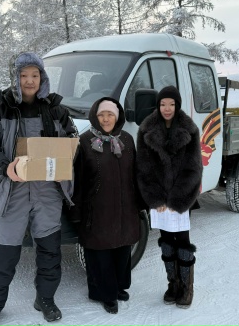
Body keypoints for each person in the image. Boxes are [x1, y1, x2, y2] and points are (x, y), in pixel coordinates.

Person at [0, 52, 78, 326]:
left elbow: (72, 139)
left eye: (35, 75)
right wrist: (5, 166)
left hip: (48, 191)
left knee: (50, 251)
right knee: (3, 255)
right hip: (11, 190)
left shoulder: (56, 110)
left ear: (42, 78)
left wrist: (69, 150)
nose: (29, 81)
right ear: (15, 77)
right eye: (23, 75)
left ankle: (45, 298)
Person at [71, 97, 143, 314]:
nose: (105, 119)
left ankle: (119, 287)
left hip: (125, 207)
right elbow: (77, 180)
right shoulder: (85, 141)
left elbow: (136, 173)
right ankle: (104, 294)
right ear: (95, 116)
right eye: (101, 115)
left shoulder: (127, 139)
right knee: (100, 253)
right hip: (97, 209)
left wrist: (141, 202)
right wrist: (76, 212)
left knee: (122, 249)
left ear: (117, 116)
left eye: (110, 114)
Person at [136, 86, 203, 308]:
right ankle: (173, 284)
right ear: (158, 105)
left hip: (180, 199)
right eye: (163, 104)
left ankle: (187, 288)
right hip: (160, 200)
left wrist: (178, 199)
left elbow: (194, 168)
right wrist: (156, 199)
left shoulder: (189, 130)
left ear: (177, 105)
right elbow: (143, 168)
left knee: (182, 241)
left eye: (171, 104)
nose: (167, 108)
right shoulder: (146, 130)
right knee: (166, 240)